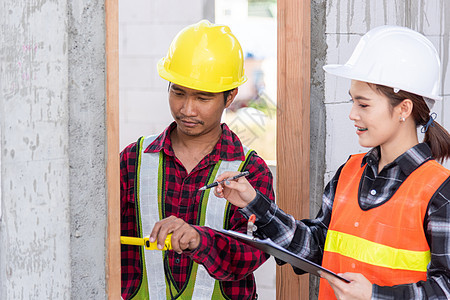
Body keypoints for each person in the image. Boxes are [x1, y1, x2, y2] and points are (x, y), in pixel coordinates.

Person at [214, 25, 450, 299]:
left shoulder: (439, 190)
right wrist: (253, 201)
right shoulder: (350, 173)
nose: (352, 114)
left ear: (403, 109)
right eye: (353, 102)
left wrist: (374, 296)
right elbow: (315, 248)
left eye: (363, 105)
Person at [120, 20, 274, 300]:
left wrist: (200, 240)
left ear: (230, 97)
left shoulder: (250, 171)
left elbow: (254, 251)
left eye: (203, 98)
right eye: (178, 92)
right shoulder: (133, 160)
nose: (187, 109)